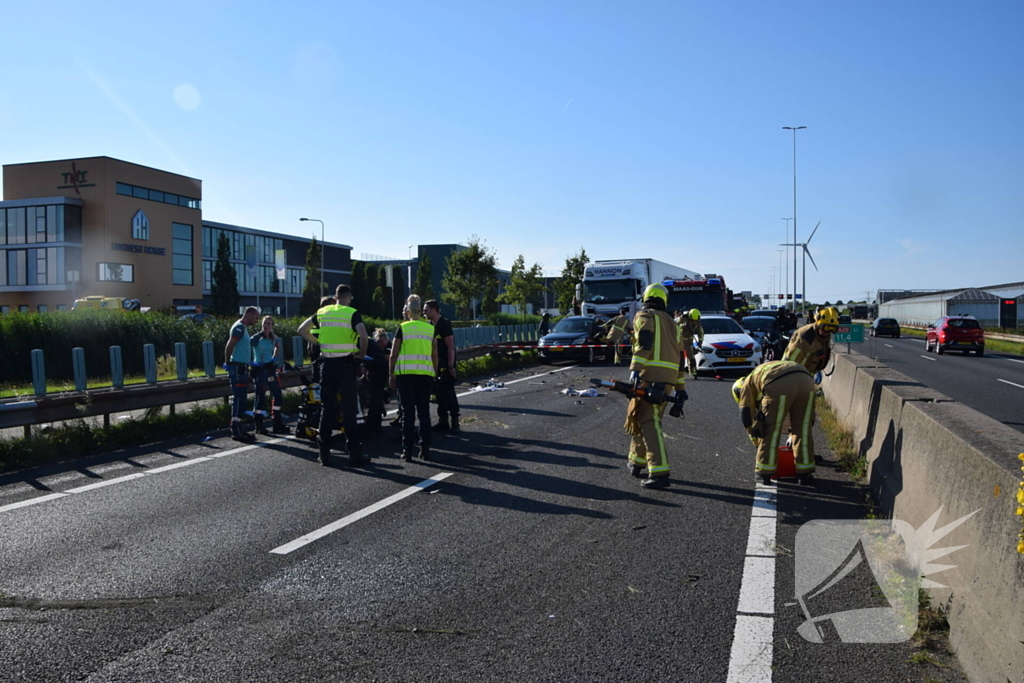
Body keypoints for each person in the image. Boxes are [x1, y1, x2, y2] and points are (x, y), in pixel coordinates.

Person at [298, 285, 369, 467]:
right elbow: (364, 336)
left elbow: (301, 330)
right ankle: (354, 454)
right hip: (346, 366)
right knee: (349, 410)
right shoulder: (352, 313)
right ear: (349, 297)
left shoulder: (323, 312)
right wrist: (361, 354)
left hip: (327, 366)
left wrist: (318, 342)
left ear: (335, 297)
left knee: (327, 409)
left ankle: (324, 454)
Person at [625, 284, 684, 489]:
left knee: (649, 423)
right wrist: (680, 387)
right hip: (668, 380)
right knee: (645, 420)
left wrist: (635, 368)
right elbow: (681, 357)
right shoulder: (673, 324)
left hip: (648, 376)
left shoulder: (644, 316)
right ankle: (637, 462)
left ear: (646, 297)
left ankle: (659, 473)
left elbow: (644, 343)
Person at [732, 360, 816, 485]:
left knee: (770, 429)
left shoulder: (745, 386)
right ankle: (805, 473)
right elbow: (807, 419)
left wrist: (757, 441)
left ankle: (764, 472)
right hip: (806, 380)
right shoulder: (762, 371)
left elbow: (747, 416)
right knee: (803, 428)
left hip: (778, 382)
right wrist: (791, 436)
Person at [389, 295, 438, 461]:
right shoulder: (430, 328)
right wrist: (434, 372)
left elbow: (393, 353)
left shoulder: (403, 328)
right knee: (424, 414)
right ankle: (425, 450)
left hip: (406, 376)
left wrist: (391, 373)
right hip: (425, 376)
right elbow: (435, 354)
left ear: (408, 311)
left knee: (408, 415)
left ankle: (407, 450)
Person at [224, 306, 261, 443]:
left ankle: (238, 427)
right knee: (239, 398)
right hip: (238, 368)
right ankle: (236, 429)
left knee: (241, 398)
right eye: (256, 318)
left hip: (242, 367)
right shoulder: (239, 328)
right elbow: (230, 346)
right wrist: (229, 363)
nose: (256, 321)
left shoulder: (242, 328)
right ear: (250, 315)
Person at [250, 315, 291, 435]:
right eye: (264, 323)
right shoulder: (257, 338)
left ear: (272, 326)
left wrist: (274, 357)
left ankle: (277, 423)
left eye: (269, 324)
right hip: (260, 370)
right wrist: (251, 362)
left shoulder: (273, 338)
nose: (266, 326)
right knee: (260, 397)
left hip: (270, 369)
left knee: (277, 394)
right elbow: (246, 347)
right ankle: (258, 425)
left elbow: (278, 346)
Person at [424, 299, 460, 433]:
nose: (424, 312)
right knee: (439, 394)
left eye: (426, 310)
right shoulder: (429, 326)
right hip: (435, 364)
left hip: (445, 364)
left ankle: (455, 421)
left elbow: (450, 346)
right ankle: (442, 420)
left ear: (433, 310)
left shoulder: (444, 324)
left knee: (449, 393)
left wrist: (451, 366)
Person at [359, 328, 390, 435]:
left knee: (375, 400)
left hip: (381, 373)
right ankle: (374, 424)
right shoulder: (372, 345)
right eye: (379, 342)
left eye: (382, 341)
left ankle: (374, 426)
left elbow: (388, 363)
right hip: (376, 372)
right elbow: (365, 363)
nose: (380, 344)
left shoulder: (388, 348)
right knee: (375, 399)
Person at [307, 296, 336, 384]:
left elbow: (306, 332)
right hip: (323, 350)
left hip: (314, 348)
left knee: (316, 373)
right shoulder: (327, 318)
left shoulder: (316, 317)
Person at [677, 309, 704, 379]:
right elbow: (674, 323)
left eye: (695, 320)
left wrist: (700, 342)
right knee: (677, 357)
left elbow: (700, 332)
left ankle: (693, 373)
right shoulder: (683, 318)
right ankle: (676, 372)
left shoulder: (697, 322)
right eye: (692, 320)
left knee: (691, 358)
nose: (694, 322)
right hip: (680, 340)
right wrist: (682, 325)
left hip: (689, 341)